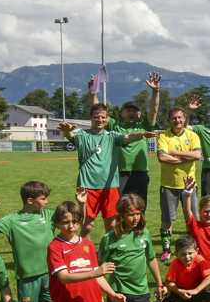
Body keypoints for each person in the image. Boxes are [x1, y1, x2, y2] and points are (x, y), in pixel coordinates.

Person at [31, 201, 125, 302]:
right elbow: (63, 277)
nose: (71, 226)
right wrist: (95, 272)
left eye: (75, 221)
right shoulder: (55, 246)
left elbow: (98, 276)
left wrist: (112, 294)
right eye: (65, 222)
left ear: (80, 222)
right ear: (56, 223)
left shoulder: (87, 244)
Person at [59, 104, 157, 233]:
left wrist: (142, 134)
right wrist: (66, 130)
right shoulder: (82, 135)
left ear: (107, 118)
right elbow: (70, 134)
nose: (100, 120)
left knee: (112, 224)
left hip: (110, 186)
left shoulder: (112, 136)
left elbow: (128, 137)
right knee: (87, 225)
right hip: (87, 186)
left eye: (103, 117)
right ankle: (86, 253)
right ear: (91, 118)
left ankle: (109, 252)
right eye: (96, 117)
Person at [88, 71, 161, 206]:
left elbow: (154, 109)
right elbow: (99, 113)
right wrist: (93, 93)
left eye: (134, 110)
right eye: (128, 110)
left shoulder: (144, 125)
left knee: (140, 206)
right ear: (122, 113)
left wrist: (156, 91)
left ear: (139, 114)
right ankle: (121, 228)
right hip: (119, 174)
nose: (131, 112)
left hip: (140, 173)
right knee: (120, 206)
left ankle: (139, 228)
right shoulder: (115, 125)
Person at [99, 194, 165, 302]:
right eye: (130, 214)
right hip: (118, 292)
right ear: (121, 215)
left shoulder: (145, 233)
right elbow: (99, 269)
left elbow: (151, 259)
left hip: (141, 291)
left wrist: (159, 284)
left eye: (138, 214)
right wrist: (100, 294)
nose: (135, 218)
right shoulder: (109, 238)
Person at [156, 107, 202, 261]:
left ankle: (194, 248)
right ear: (170, 120)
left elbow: (197, 154)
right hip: (169, 185)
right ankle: (166, 250)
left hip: (189, 185)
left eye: (180, 118)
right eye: (174, 118)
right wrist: (186, 158)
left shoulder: (192, 135)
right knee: (167, 219)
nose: (177, 120)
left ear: (185, 119)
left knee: (192, 218)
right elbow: (162, 157)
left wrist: (175, 153)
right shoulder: (164, 136)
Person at [161, 237, 210, 302]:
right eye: (183, 254)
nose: (187, 257)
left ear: (197, 251)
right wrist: (180, 291)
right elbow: (169, 282)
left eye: (190, 253)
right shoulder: (175, 263)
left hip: (198, 292)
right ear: (176, 254)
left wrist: (196, 290)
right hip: (180, 293)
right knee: (165, 289)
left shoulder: (200, 260)